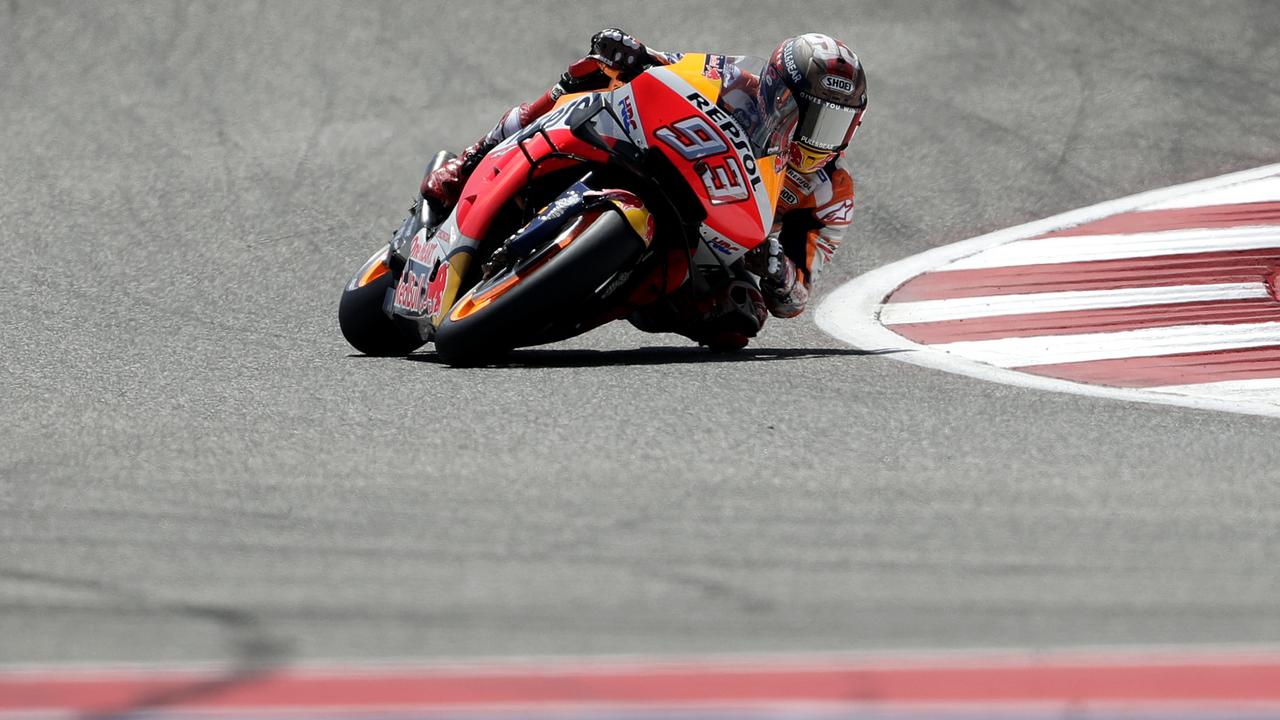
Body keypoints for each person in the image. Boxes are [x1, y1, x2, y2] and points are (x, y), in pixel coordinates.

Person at [422, 29, 867, 350]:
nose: (818, 136)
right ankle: (471, 160)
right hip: (659, 161)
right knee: (588, 79)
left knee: (739, 315)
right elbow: (667, 64)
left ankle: (572, 301)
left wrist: (776, 267)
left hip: (708, 246)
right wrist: (631, 51)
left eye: (835, 125)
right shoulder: (732, 80)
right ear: (777, 92)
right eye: (811, 117)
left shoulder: (831, 192)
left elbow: (798, 297)